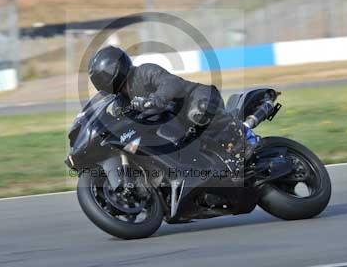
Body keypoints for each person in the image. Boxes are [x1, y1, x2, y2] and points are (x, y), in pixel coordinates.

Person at [88, 46, 259, 174]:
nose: (103, 79)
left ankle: (244, 138)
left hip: (196, 97)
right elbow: (122, 121)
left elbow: (172, 83)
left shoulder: (144, 71)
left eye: (104, 75)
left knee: (197, 113)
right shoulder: (120, 102)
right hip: (176, 126)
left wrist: (154, 100)